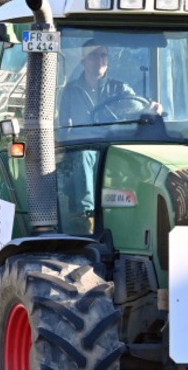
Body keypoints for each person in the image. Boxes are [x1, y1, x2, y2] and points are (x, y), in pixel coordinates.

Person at [57, 40, 162, 235]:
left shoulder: (119, 88)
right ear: (83, 60)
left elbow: (137, 107)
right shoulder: (71, 91)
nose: (100, 59)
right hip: (83, 145)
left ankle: (136, 219)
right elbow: (63, 124)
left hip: (113, 144)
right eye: (95, 55)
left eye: (104, 55)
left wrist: (151, 108)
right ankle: (86, 215)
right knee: (84, 156)